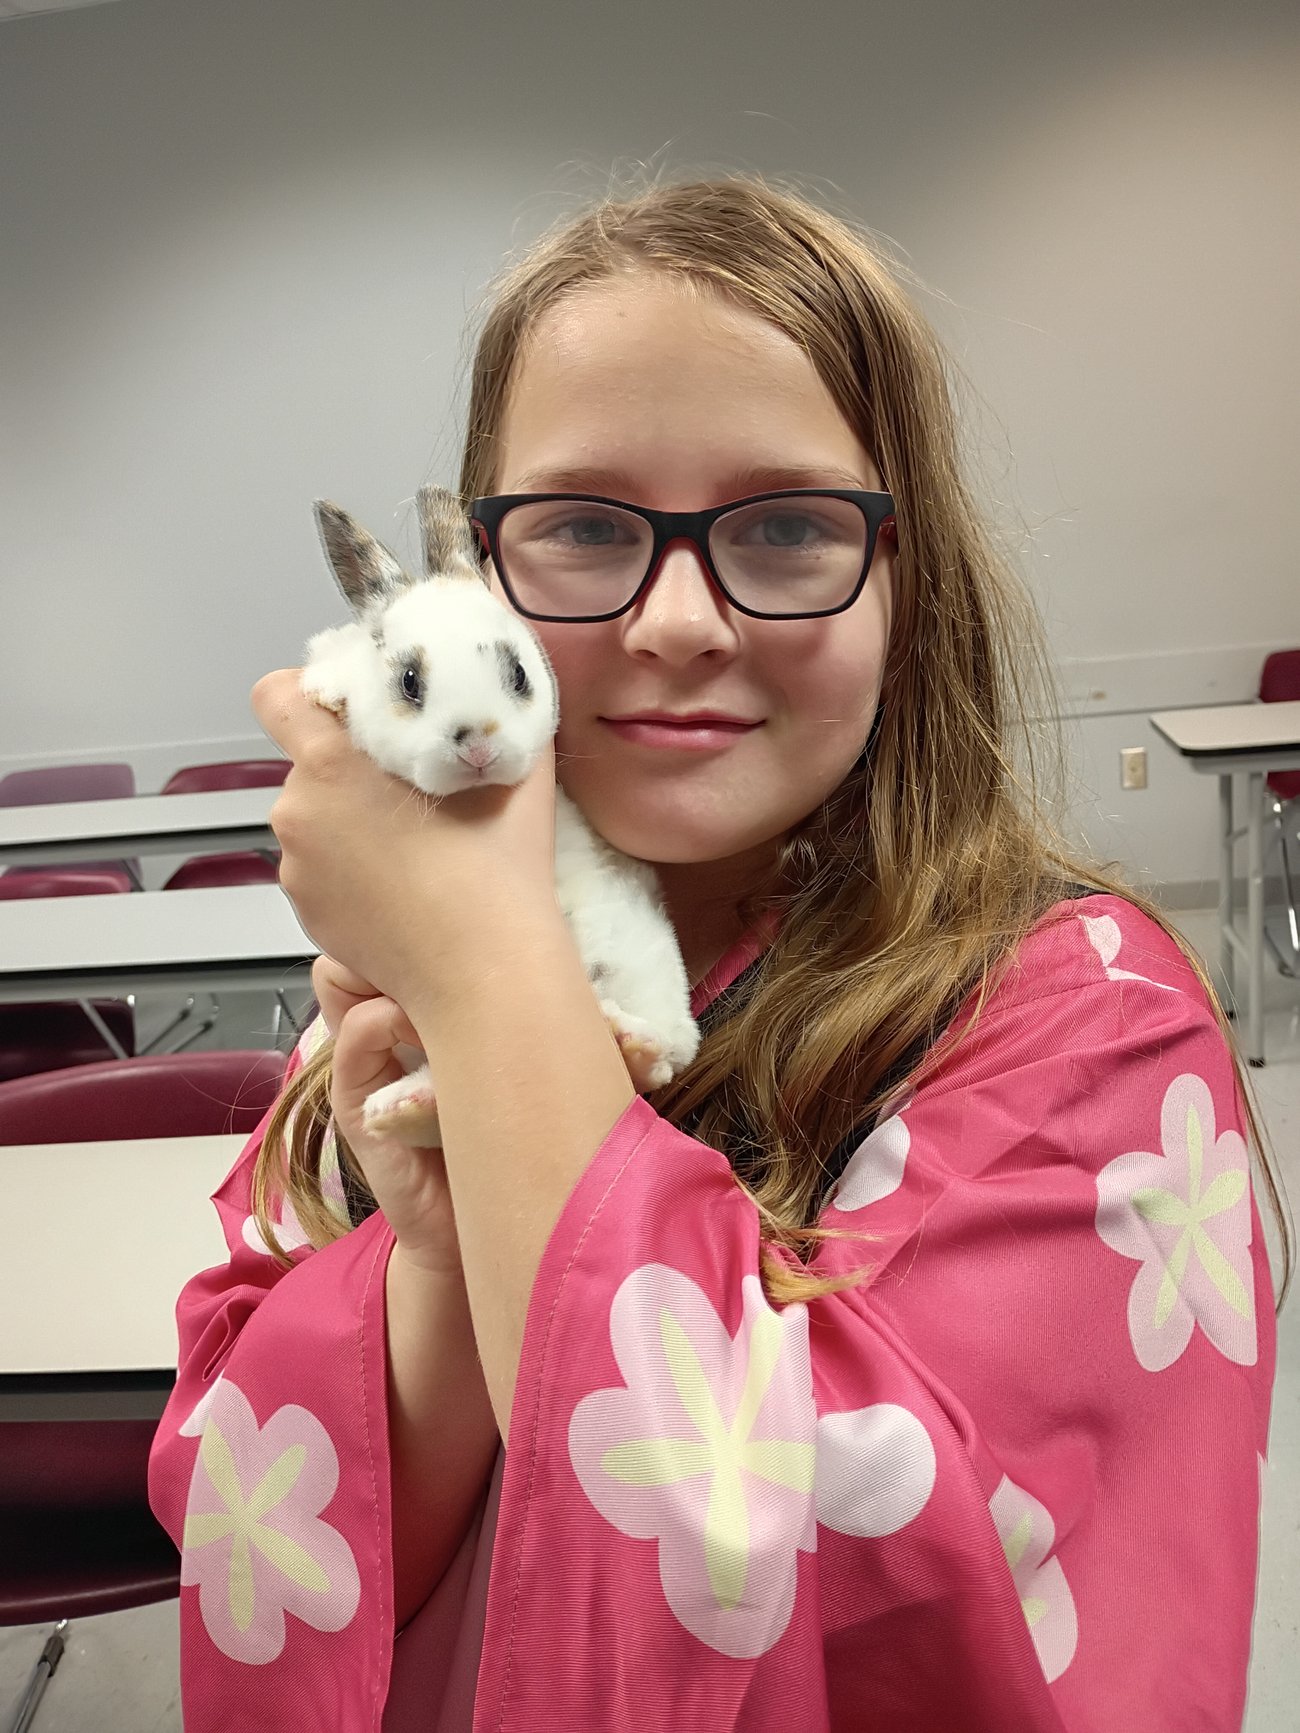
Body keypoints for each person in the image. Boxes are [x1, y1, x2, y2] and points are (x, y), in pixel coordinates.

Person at [148, 173, 1288, 1731]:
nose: (680, 619)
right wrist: (430, 1257)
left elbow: (879, 1602)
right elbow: (282, 1526)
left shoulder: (1080, 1020)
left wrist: (490, 979)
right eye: (583, 529)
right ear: (478, 573)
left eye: (788, 525)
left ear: (905, 575)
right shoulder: (389, 996)